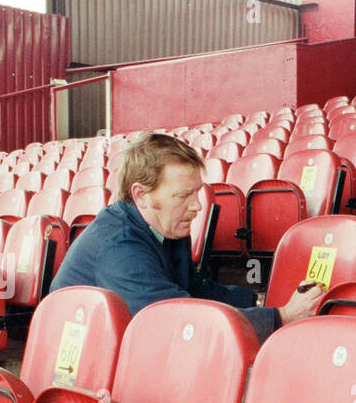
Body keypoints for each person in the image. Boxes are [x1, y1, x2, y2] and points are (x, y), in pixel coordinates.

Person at [50, 131, 325, 342]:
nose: (197, 206)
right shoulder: (120, 247)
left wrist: (258, 301)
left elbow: (193, 288)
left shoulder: (163, 225)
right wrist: (281, 317)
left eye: (196, 192)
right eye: (183, 195)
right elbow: (178, 322)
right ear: (141, 195)